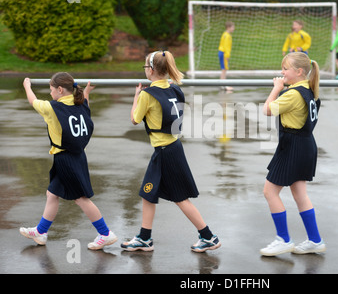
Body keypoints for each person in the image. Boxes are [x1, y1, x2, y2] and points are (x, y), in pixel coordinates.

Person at [121, 50, 221, 253]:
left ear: (151, 70)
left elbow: (134, 119)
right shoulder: (175, 89)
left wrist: (136, 97)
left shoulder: (147, 95)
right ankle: (145, 237)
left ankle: (208, 236)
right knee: (148, 193)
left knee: (179, 198)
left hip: (165, 151)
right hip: (171, 147)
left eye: (145, 67)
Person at [20, 73, 117, 250]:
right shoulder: (80, 102)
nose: (49, 94)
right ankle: (41, 232)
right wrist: (87, 91)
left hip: (66, 158)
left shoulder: (53, 108)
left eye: (51, 90)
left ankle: (105, 233)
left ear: (59, 89)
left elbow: (33, 101)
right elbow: (85, 103)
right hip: (76, 155)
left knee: (81, 199)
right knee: (52, 194)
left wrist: (27, 85)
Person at [260, 52, 325, 256]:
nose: (281, 72)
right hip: (305, 144)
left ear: (298, 72)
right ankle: (315, 240)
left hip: (293, 146)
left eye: (285, 69)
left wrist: (276, 88)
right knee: (300, 194)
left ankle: (283, 239)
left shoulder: (293, 94)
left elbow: (268, 110)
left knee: (270, 192)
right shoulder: (309, 89)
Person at [218, 21, 235, 91]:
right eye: (233, 27)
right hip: (224, 53)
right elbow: (226, 47)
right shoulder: (227, 36)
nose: (234, 29)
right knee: (224, 69)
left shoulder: (224, 34)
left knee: (224, 69)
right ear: (228, 27)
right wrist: (227, 56)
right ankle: (223, 85)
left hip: (222, 52)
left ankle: (222, 84)